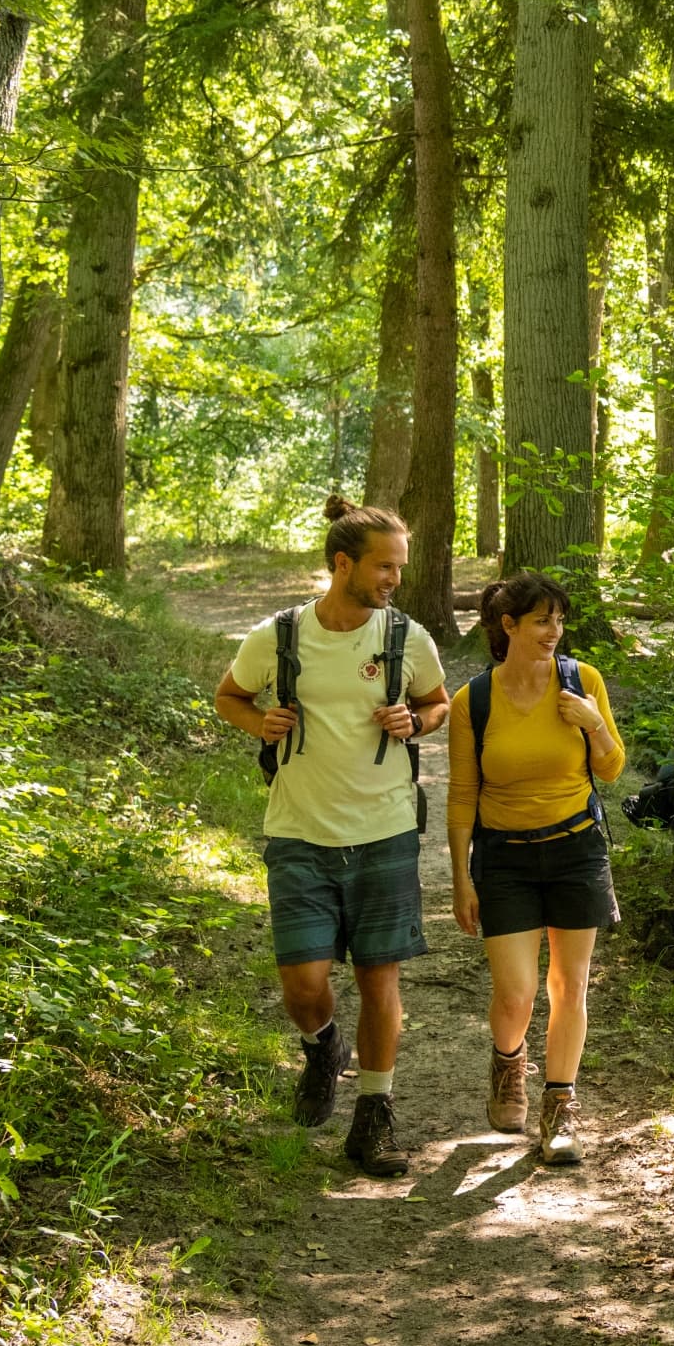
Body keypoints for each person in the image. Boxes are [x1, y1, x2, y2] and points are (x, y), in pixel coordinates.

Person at [214, 496, 449, 1178]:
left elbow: (439, 702)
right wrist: (257, 723)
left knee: (381, 980)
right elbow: (229, 695)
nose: (394, 580)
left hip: (386, 832)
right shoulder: (279, 637)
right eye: (384, 567)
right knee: (303, 982)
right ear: (342, 563)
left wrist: (419, 722)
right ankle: (322, 1047)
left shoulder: (407, 638)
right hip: (298, 832)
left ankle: (373, 1119)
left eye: (399, 568)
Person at [448, 573, 625, 1166]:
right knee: (517, 993)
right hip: (504, 858)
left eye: (559, 621)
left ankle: (559, 1108)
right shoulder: (472, 700)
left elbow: (613, 767)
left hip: (576, 850)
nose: (554, 632)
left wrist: (592, 722)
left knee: (570, 985)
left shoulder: (583, 682)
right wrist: (460, 878)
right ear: (510, 626)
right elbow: (461, 796)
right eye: (542, 621)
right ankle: (507, 1064)